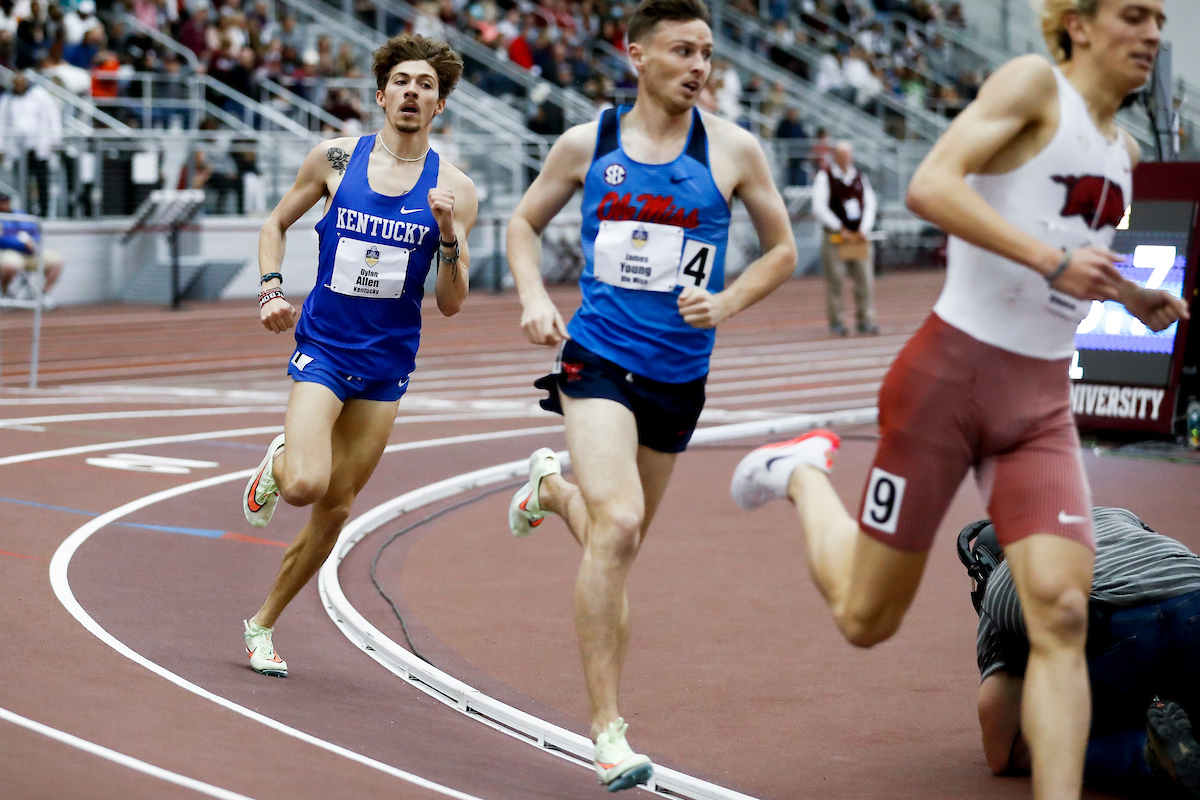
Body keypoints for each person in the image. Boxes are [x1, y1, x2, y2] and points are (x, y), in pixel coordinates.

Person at [729, 2, 1188, 799]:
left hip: (1039, 407)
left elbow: (1072, 247)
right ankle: (802, 473)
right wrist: (1051, 262)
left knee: (1061, 614)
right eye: (1132, 14)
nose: (1152, 33)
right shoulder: (1032, 86)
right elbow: (931, 185)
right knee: (866, 619)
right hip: (948, 382)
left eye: (1159, 17)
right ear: (1076, 23)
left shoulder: (1125, 149)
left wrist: (1132, 293)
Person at [505, 0, 797, 790]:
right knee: (622, 523)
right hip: (597, 358)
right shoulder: (588, 144)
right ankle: (607, 730)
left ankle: (548, 489)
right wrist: (534, 296)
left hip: (679, 376)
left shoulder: (732, 150)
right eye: (681, 51)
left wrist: (729, 302)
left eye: (706, 53)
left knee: (618, 542)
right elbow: (524, 224)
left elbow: (784, 251)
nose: (698, 67)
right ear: (636, 54)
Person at [239, 33, 477, 680]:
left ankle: (262, 622)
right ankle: (282, 460)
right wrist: (269, 291)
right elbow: (273, 226)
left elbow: (452, 302)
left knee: (335, 510)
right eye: (401, 81)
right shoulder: (335, 158)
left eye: (425, 86)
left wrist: (450, 236)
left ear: (439, 107)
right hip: (322, 347)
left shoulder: (455, 189)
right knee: (305, 486)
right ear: (380, 95)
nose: (412, 92)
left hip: (387, 367)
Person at [960, 509, 1200, 798]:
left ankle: (1145, 753)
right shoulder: (1118, 517)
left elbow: (1000, 751)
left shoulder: (1004, 578)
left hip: (1113, 624)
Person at [812, 140, 878, 335]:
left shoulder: (859, 177)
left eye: (848, 154)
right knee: (836, 279)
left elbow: (870, 204)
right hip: (836, 237)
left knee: (864, 278)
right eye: (842, 154)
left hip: (858, 236)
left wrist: (864, 229)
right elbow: (819, 207)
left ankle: (865, 319)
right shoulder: (825, 177)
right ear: (835, 156)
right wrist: (839, 227)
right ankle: (837, 321)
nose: (846, 158)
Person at [0, 71, 62, 217]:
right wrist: (2, 147)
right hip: (18, 149)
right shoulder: (7, 100)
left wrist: (55, 141)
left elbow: (52, 118)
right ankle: (24, 210)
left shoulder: (39, 96)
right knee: (21, 182)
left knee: (42, 182)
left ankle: (44, 211)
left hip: (38, 146)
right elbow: (2, 123)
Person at [0, 192, 62, 301]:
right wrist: (21, 244)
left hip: (30, 253)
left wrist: (33, 242)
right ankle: (4, 293)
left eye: (6, 201)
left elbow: (35, 231)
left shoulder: (20, 214)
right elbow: (2, 240)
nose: (4, 204)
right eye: (2, 201)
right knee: (10, 265)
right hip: (8, 252)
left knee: (56, 261)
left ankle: (43, 296)